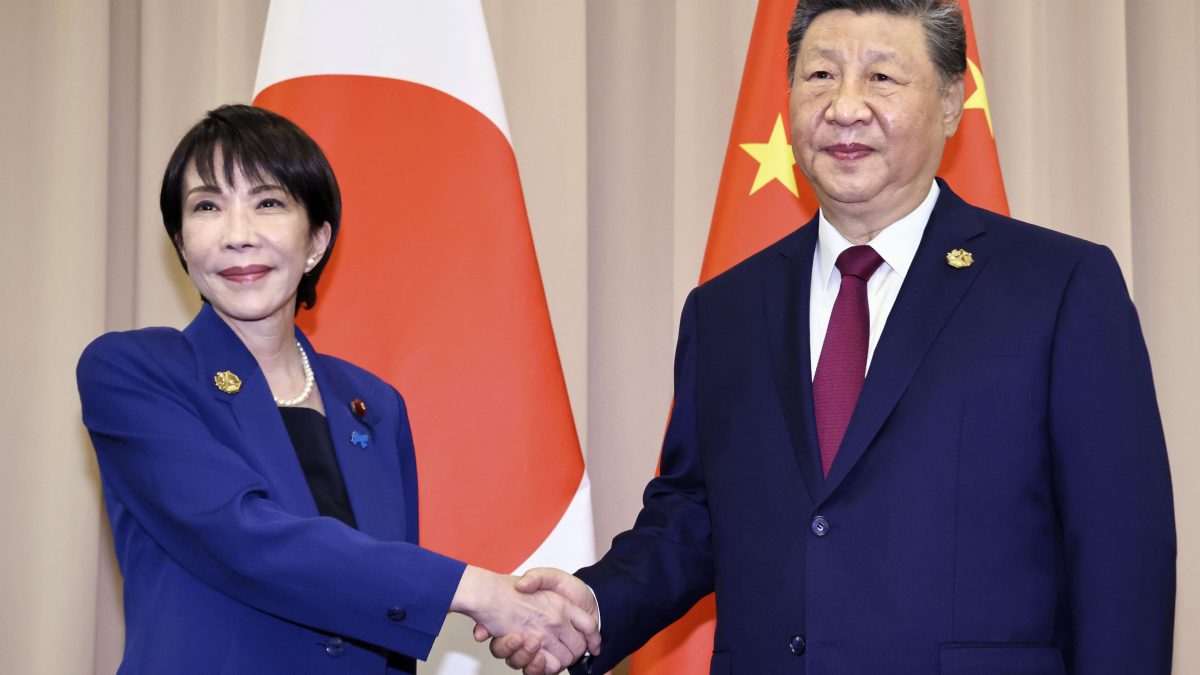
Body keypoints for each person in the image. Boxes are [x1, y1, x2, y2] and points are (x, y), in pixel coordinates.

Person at [490, 0, 1176, 673]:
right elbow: (694, 514)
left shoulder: (1057, 285)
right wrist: (593, 606)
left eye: (881, 76)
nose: (846, 106)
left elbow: (1122, 551)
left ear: (949, 101)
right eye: (821, 75)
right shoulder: (726, 308)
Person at [77, 104, 598, 674]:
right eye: (207, 207)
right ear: (181, 242)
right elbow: (243, 538)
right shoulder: (133, 371)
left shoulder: (374, 404)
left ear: (317, 240)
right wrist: (477, 591)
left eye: (268, 203)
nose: (237, 236)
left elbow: (383, 609)